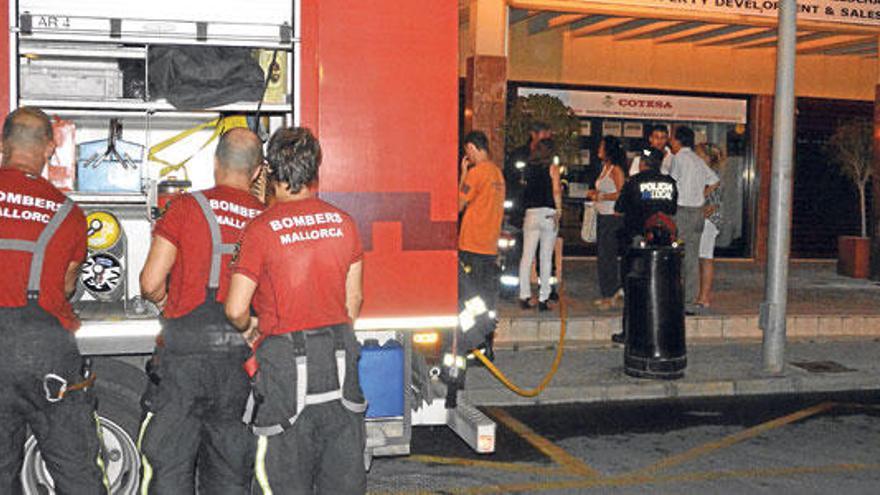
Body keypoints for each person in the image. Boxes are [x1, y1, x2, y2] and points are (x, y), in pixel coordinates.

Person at [225, 127, 367, 494]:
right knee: (341, 474)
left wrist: (250, 327)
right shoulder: (344, 222)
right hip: (339, 363)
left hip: (285, 369)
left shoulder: (259, 230)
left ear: (271, 171)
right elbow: (354, 302)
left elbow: (236, 307)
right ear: (315, 170)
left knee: (283, 476)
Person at [138, 128, 265, 493]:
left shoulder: (183, 207)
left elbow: (149, 282)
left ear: (215, 163)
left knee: (171, 465)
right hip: (235, 361)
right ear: (257, 173)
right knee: (228, 469)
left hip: (183, 358)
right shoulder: (265, 219)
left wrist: (167, 304)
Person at [0, 107, 108, 493]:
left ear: (3, 143)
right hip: (45, 350)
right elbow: (65, 288)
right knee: (77, 469)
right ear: (49, 148)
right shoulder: (68, 213)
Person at [611, 148, 679, 344]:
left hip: (637, 244)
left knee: (633, 289)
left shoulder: (634, 182)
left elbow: (619, 209)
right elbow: (672, 208)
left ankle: (629, 332)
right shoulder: (669, 183)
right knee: (662, 290)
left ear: (643, 163)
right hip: (663, 247)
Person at [459, 130, 505, 358]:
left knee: (471, 299)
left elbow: (458, 203)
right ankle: (487, 345)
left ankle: (474, 345)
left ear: (475, 148)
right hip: (489, 246)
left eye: (469, 151)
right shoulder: (497, 174)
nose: (468, 156)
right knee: (486, 298)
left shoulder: (476, 173)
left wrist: (463, 173)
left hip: (472, 245)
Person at [669, 126, 719, 310]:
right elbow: (714, 180)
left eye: (672, 138)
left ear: (678, 140)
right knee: (692, 257)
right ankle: (689, 302)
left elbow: (672, 183)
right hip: (697, 212)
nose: (670, 142)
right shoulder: (697, 160)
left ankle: (675, 298)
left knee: (677, 256)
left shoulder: (679, 158)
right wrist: (701, 194)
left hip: (682, 211)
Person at [518, 138, 562, 311]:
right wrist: (559, 211)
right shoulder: (552, 168)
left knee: (527, 256)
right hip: (548, 214)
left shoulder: (528, 169)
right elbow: (556, 190)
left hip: (531, 214)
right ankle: (544, 297)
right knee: (545, 257)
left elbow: (524, 190)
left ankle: (524, 296)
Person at [588, 135, 627, 310]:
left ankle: (609, 294)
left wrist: (601, 196)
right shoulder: (605, 167)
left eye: (602, 146)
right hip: (602, 214)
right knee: (603, 255)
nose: (598, 149)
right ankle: (610, 291)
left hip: (612, 217)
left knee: (607, 256)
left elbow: (621, 193)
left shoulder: (616, 170)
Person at [694, 142, 726, 309]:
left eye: (698, 154)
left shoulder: (712, 177)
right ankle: (700, 295)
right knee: (701, 258)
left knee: (705, 258)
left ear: (706, 157)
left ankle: (704, 296)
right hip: (707, 219)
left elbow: (712, 204)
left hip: (708, 221)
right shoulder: (706, 175)